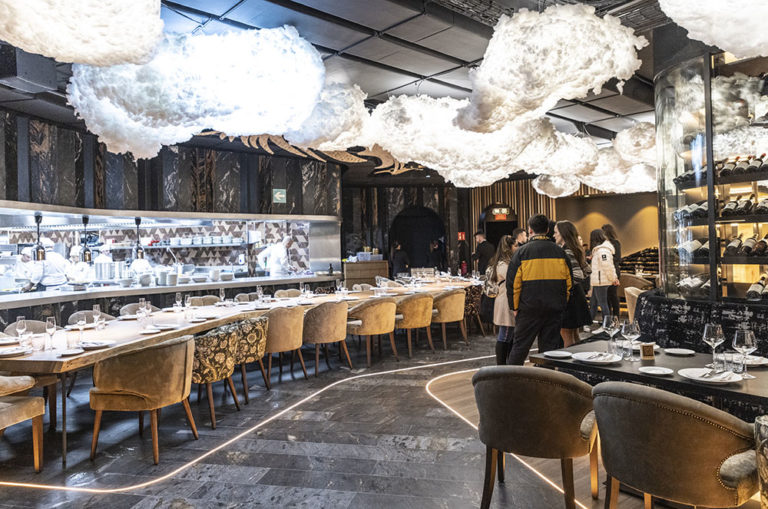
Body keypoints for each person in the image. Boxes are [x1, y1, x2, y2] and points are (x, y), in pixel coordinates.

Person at [506, 214, 572, 364]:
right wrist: (562, 303)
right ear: (548, 230)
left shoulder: (521, 253)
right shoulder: (560, 252)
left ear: (530, 230)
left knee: (520, 348)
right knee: (549, 351)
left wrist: (514, 307)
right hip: (554, 309)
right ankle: (546, 378)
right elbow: (568, 284)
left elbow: (513, 284)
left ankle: (511, 378)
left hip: (528, 309)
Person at [554, 221, 592, 346]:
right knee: (575, 337)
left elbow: (578, 275)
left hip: (569, 298)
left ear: (563, 234)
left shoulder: (566, 252)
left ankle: (569, 360)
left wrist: (563, 285)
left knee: (567, 339)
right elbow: (587, 270)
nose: (554, 235)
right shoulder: (575, 249)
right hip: (577, 295)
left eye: (556, 232)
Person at [488, 235, 516, 364]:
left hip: (505, 300)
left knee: (508, 334)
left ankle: (506, 364)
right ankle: (501, 365)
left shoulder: (503, 263)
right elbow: (514, 280)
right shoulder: (504, 265)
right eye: (515, 245)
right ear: (509, 248)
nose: (518, 248)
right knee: (505, 334)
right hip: (505, 301)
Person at [589, 229, 619, 322]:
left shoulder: (602, 250)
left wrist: (613, 278)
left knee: (603, 304)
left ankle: (607, 325)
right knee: (593, 303)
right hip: (598, 281)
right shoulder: (600, 250)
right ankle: (588, 322)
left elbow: (607, 266)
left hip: (601, 281)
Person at [602, 224, 622, 318]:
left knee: (613, 295)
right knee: (606, 296)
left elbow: (618, 258)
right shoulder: (602, 244)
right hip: (605, 272)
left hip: (613, 271)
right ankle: (607, 318)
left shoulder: (615, 243)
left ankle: (616, 317)